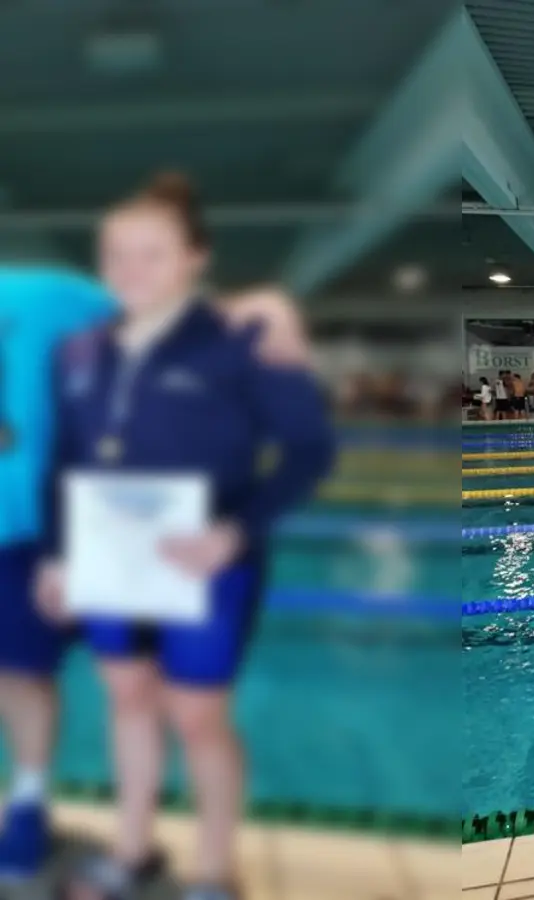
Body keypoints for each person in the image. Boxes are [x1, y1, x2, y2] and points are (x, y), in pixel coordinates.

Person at [30, 173, 335, 900]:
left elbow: (309, 449)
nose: (130, 271)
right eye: (116, 255)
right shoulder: (78, 353)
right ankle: (131, 851)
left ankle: (211, 871)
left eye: (151, 253)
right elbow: (62, 463)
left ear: (194, 258)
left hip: (208, 562)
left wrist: (237, 532)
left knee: (198, 715)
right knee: (127, 696)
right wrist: (57, 556)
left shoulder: (242, 344)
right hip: (110, 553)